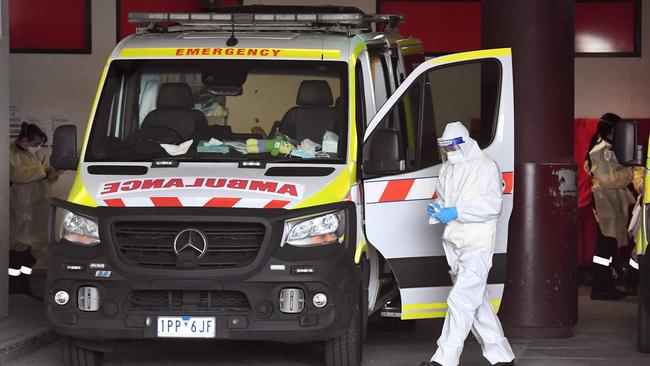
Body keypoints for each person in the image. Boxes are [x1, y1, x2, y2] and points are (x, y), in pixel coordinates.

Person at [421, 122, 515, 366]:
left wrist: (457, 211)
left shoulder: (485, 167)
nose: (450, 152)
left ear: (465, 142)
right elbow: (443, 199)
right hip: (453, 241)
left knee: (460, 299)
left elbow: (493, 206)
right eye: (446, 148)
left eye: (453, 147)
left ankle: (444, 360)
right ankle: (502, 357)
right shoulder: (447, 170)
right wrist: (439, 209)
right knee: (477, 301)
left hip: (478, 241)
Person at [585, 113, 635, 300]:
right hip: (604, 200)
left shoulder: (609, 148)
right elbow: (610, 179)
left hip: (609, 200)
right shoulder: (601, 150)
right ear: (611, 129)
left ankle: (605, 284)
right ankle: (601, 286)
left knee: (609, 242)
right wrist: (631, 172)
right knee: (605, 244)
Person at [9, 122, 57, 297]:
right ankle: (14, 286)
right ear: (25, 140)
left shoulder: (31, 157)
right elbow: (19, 175)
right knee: (18, 250)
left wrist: (51, 173)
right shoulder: (11, 155)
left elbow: (40, 177)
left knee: (29, 253)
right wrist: (43, 171)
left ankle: (24, 286)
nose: (37, 148)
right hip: (21, 211)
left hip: (34, 209)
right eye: (36, 143)